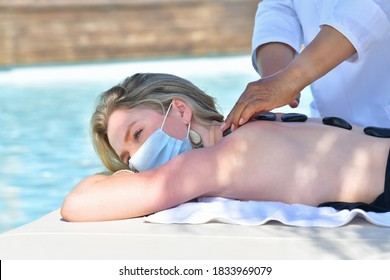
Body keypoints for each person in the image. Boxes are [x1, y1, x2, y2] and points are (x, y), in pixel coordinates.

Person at [61, 73, 390, 222]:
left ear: (179, 110)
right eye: (128, 159)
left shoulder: (218, 161)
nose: (137, 162)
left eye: (138, 134)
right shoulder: (254, 123)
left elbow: (77, 204)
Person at [222, 0, 390, 133]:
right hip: (333, 127)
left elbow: (367, 8)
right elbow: (278, 10)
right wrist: (272, 82)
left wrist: (287, 82)